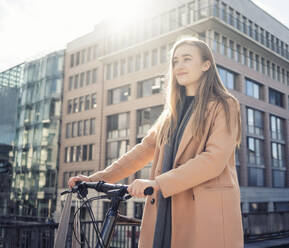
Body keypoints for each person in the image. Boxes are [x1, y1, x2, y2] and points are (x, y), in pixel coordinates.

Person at [68, 37, 243, 248]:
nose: (179, 66)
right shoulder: (172, 112)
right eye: (175, 61)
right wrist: (97, 179)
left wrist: (158, 183)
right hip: (166, 206)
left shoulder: (225, 104)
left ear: (206, 65)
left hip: (204, 209)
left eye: (187, 59)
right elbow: (143, 150)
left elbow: (213, 160)